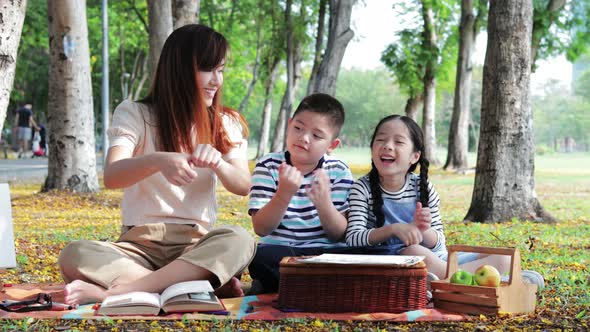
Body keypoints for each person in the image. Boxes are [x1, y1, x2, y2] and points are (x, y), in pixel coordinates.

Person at [58, 24, 256, 306]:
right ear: (179, 70)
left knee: (240, 239)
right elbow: (112, 175)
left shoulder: (225, 122)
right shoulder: (135, 113)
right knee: (74, 253)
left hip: (195, 246)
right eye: (208, 69)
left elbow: (243, 185)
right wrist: (156, 160)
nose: (217, 80)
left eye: (220, 70)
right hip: (137, 247)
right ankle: (191, 286)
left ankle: (121, 292)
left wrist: (220, 164)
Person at [345, 115, 544, 288]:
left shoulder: (423, 188)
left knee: (503, 257)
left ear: (414, 157)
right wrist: (394, 229)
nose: (387, 146)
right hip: (397, 263)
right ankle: (492, 283)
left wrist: (424, 230)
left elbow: (439, 243)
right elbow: (353, 238)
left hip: (435, 260)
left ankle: (455, 280)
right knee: (414, 251)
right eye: (381, 140)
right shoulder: (362, 189)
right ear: (372, 148)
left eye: (398, 142)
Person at [247, 93, 356, 294]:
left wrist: (324, 204)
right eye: (298, 128)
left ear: (332, 145)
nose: (303, 138)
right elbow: (261, 228)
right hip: (281, 252)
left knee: (362, 252)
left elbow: (339, 234)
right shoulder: (268, 166)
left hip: (326, 253)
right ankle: (311, 285)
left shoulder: (339, 171)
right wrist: (283, 194)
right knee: (260, 257)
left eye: (316, 135)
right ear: (289, 125)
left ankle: (290, 284)